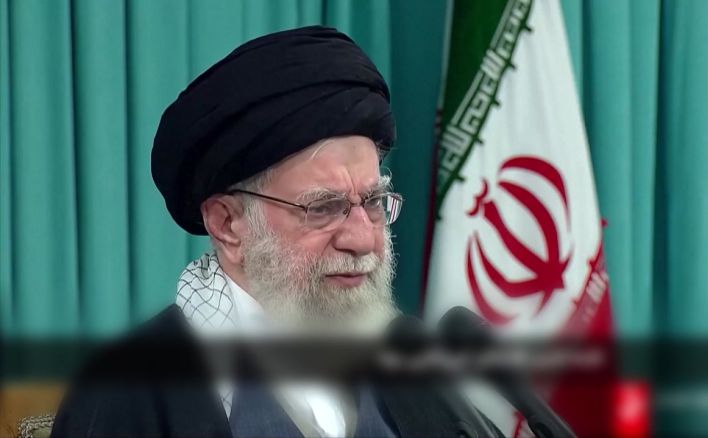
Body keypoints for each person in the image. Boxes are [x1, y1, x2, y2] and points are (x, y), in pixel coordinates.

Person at [51, 26, 498, 438]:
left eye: (374, 202)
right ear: (228, 224)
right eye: (324, 208)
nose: (363, 239)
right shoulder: (129, 394)